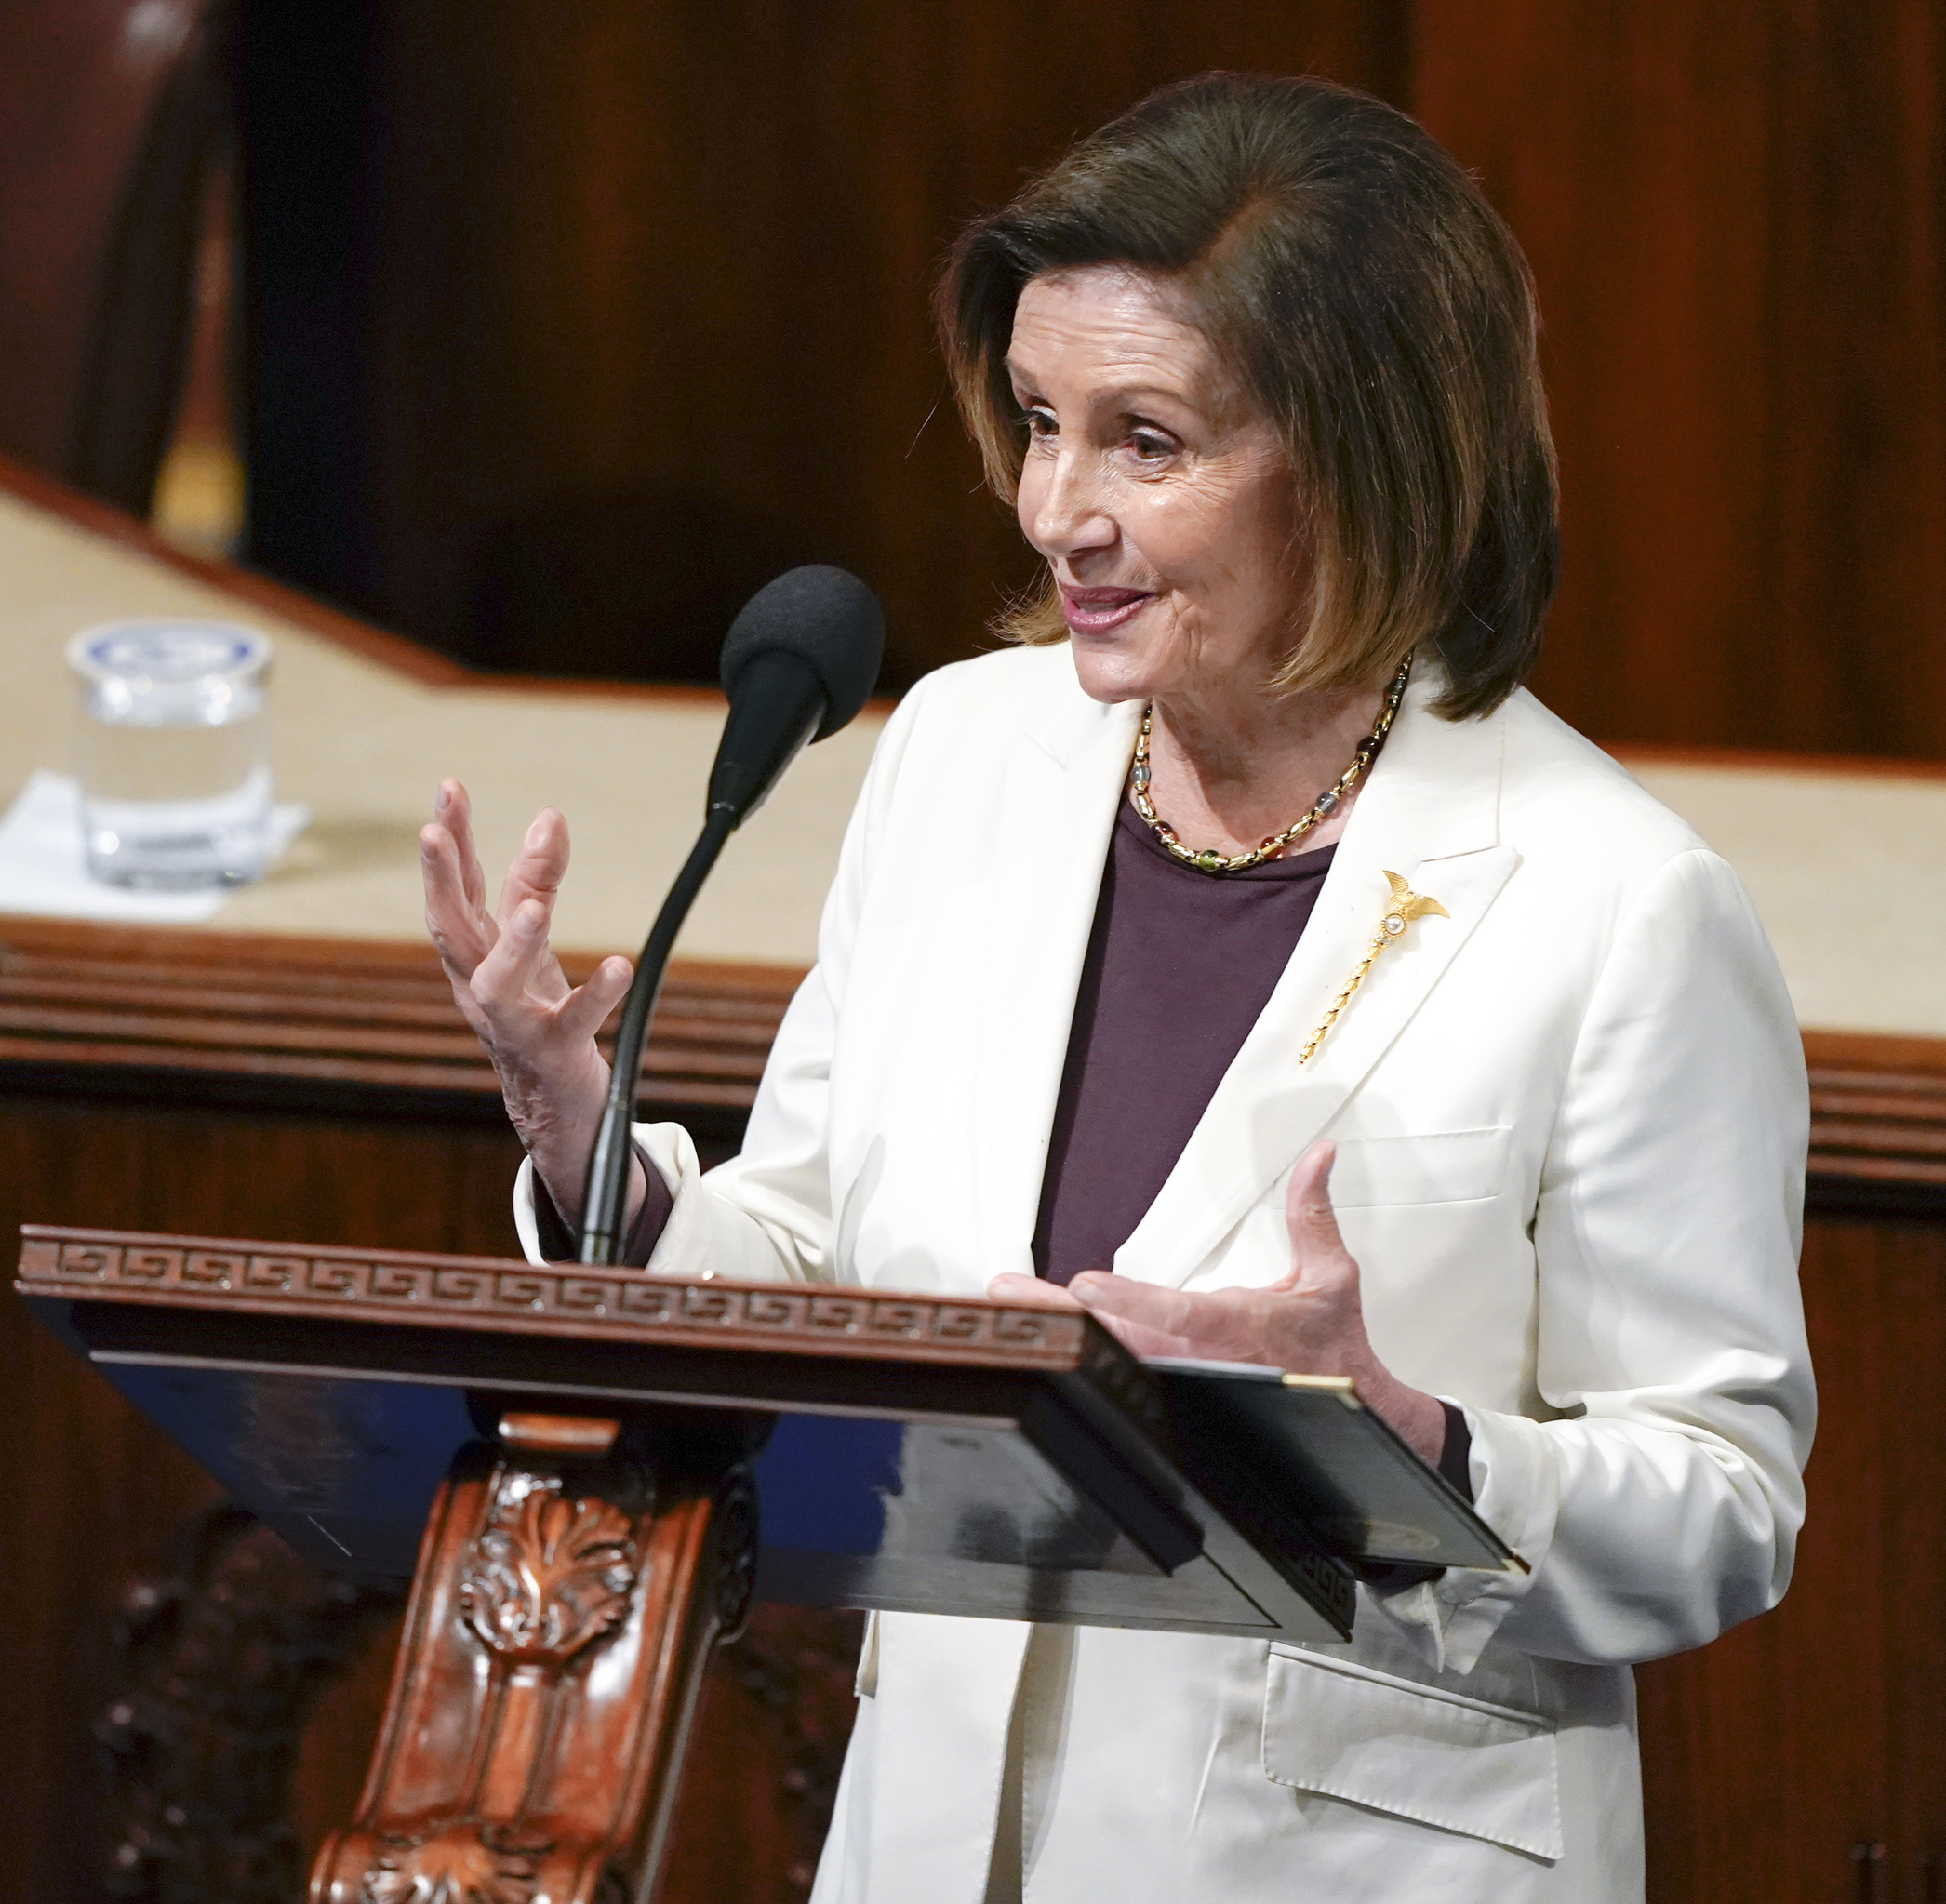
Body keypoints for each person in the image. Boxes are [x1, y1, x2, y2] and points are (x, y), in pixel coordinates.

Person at [420, 72, 1812, 1904]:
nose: (1055, 506)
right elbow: (822, 1252)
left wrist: (1410, 1437)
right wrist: (589, 1135)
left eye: (1145, 441)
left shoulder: (1616, 903)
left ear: (1359, 452)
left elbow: (1723, 1502)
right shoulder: (962, 757)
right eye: (1036, 421)